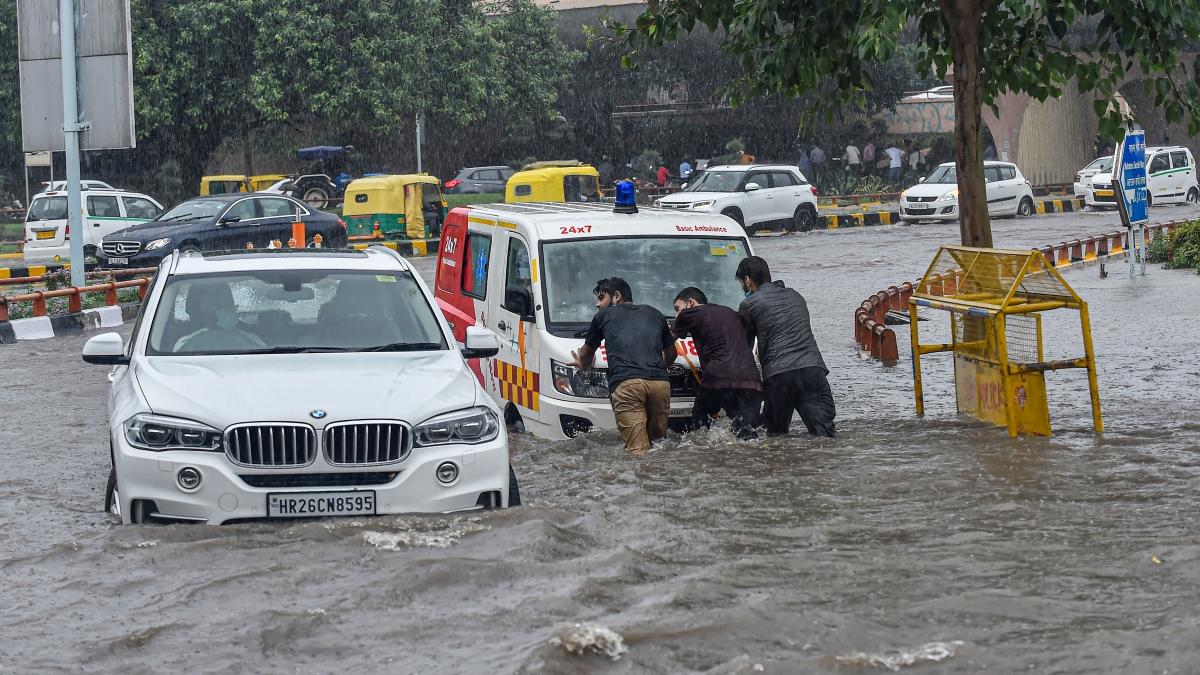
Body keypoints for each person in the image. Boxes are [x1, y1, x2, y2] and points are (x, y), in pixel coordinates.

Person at [572, 278, 677, 455]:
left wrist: (582, 364)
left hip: (627, 385)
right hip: (660, 384)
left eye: (601, 297)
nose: (598, 304)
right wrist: (656, 368)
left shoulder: (603, 317)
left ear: (617, 296)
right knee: (659, 447)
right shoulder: (655, 313)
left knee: (638, 452)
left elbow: (587, 354)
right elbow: (672, 355)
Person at [735, 257, 835, 437]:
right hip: (812, 369)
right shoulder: (795, 296)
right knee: (824, 433)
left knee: (776, 434)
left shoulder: (749, 304)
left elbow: (745, 346)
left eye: (742, 282)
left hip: (778, 374)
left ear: (747, 280)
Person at [672, 287, 762, 439]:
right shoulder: (731, 313)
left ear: (690, 302)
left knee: (698, 428)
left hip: (718, 378)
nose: (676, 315)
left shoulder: (689, 314)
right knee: (746, 435)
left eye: (677, 308)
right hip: (751, 381)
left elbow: (667, 341)